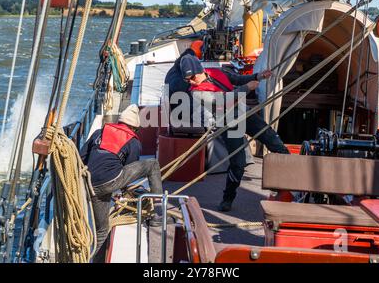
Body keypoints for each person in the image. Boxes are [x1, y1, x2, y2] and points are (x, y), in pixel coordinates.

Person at [179, 55, 290, 212]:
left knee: (274, 142)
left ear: (200, 70)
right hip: (229, 123)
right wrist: (248, 88)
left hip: (244, 113)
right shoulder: (196, 93)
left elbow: (237, 79)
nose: (190, 81)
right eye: (187, 80)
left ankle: (290, 182)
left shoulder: (218, 72)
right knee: (238, 163)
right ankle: (228, 198)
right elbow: (224, 100)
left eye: (192, 77)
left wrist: (258, 76)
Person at [80, 104, 167, 263]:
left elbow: (81, 158)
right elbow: (128, 172)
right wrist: (124, 193)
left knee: (102, 230)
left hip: (89, 187)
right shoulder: (133, 141)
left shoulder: (99, 132)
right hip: (110, 182)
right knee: (152, 164)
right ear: (135, 128)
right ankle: (157, 213)